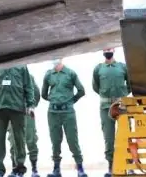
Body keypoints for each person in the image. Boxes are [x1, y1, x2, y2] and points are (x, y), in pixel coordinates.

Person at [0, 66, 36, 177]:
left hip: (17, 108)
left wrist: (31, 105)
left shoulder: (22, 66)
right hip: (0, 108)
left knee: (19, 140)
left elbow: (28, 87)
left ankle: (19, 168)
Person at [42, 58, 87, 177]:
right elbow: (44, 94)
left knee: (72, 139)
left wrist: (71, 101)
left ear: (62, 59)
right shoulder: (48, 74)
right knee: (55, 141)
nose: (55, 60)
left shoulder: (70, 73)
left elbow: (81, 90)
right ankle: (56, 169)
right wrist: (54, 101)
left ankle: (80, 169)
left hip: (68, 112)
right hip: (53, 112)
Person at [92, 47, 129, 177]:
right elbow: (96, 86)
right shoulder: (98, 69)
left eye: (110, 48)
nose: (108, 50)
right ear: (102, 51)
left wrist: (121, 96)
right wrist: (107, 96)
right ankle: (111, 166)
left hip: (122, 106)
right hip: (105, 107)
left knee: (125, 136)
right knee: (108, 137)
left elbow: (130, 84)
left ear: (114, 50)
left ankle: (128, 165)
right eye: (105, 48)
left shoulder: (123, 67)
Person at [10, 71, 41, 177]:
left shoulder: (29, 77)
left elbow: (36, 94)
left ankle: (34, 169)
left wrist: (30, 106)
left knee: (31, 140)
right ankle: (16, 168)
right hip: (13, 113)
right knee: (13, 141)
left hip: (27, 114)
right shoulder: (8, 77)